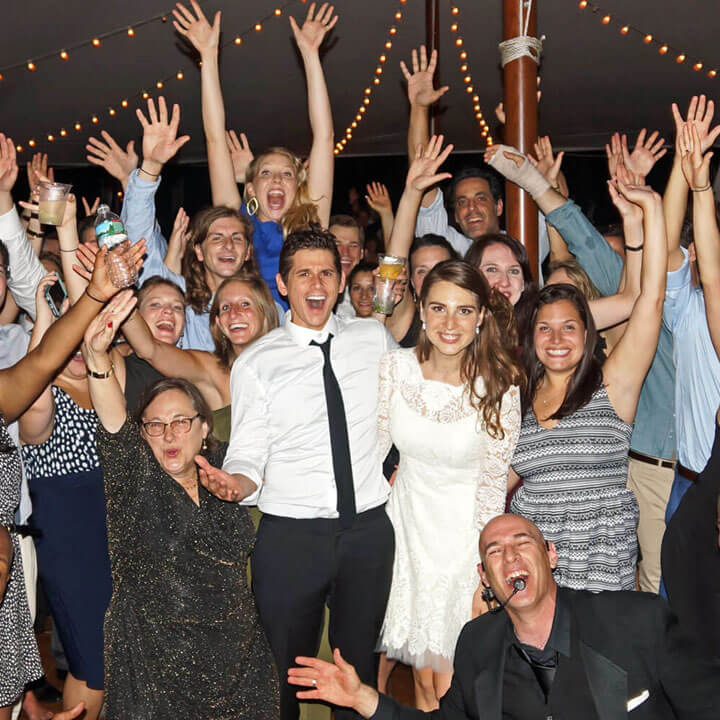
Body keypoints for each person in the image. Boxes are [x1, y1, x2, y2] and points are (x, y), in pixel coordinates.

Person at [195, 226, 397, 720]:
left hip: (368, 532)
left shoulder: (373, 336)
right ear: (283, 285)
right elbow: (246, 452)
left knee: (358, 679)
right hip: (290, 540)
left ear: (341, 279)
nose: (317, 282)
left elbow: (404, 408)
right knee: (283, 677)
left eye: (327, 272)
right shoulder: (257, 362)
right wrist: (235, 483)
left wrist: (404, 463)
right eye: (303, 273)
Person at [289, 514, 720, 720]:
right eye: (494, 552)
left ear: (551, 555)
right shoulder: (478, 644)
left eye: (523, 542)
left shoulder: (638, 621)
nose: (509, 555)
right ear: (485, 577)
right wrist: (362, 696)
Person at [486, 135, 675, 593]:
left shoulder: (613, 386)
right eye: (544, 328)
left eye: (569, 327)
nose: (556, 338)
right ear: (530, 338)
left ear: (588, 335)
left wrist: (648, 213)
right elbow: (491, 481)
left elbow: (647, 301)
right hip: (535, 589)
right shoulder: (520, 402)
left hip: (604, 588)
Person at [83, 294, 279, 719]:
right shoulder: (133, 480)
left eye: (180, 422)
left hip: (238, 658)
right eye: (155, 425)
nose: (169, 434)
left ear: (204, 427)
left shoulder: (227, 469)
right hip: (156, 666)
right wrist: (96, 356)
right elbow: (114, 422)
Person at [0, 228, 143, 718]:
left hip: (120, 535)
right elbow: (38, 368)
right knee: (92, 660)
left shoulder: (109, 375)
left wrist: (97, 300)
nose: (78, 349)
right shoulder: (41, 403)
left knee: (107, 658)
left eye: (84, 339)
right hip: (71, 539)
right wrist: (44, 318)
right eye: (69, 342)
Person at [375, 260, 522, 709]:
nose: (449, 323)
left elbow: (494, 487)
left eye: (463, 310)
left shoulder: (501, 386)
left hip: (462, 548)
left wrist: (485, 574)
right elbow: (371, 456)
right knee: (422, 684)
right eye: (438, 307)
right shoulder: (394, 369)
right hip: (404, 536)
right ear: (420, 310)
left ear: (481, 317)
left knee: (453, 689)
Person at [173, 0, 336, 308]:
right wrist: (208, 57)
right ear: (250, 187)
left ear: (297, 185)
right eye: (266, 173)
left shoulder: (311, 221)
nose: (276, 179)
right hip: (245, 334)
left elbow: (324, 138)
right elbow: (214, 139)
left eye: (287, 174)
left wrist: (312, 56)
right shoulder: (236, 221)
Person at [119, 96, 255, 351]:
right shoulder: (176, 298)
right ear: (199, 251)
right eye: (216, 238)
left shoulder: (264, 306)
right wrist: (151, 166)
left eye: (237, 238)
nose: (228, 245)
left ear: (248, 252)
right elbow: (139, 237)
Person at [661, 118, 720, 655]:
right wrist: (686, 176)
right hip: (686, 482)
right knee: (674, 617)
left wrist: (702, 186)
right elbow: (664, 248)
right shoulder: (686, 310)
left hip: (714, 489)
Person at [121, 270, 278, 441]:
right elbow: (150, 349)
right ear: (219, 323)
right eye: (225, 307)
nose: (234, 313)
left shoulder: (292, 362)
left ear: (265, 312)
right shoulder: (212, 368)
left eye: (245, 304)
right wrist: (120, 290)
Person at [330, 214, 365, 319]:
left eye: (353, 246)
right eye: (337, 244)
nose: (345, 253)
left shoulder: (369, 296)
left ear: (361, 253)